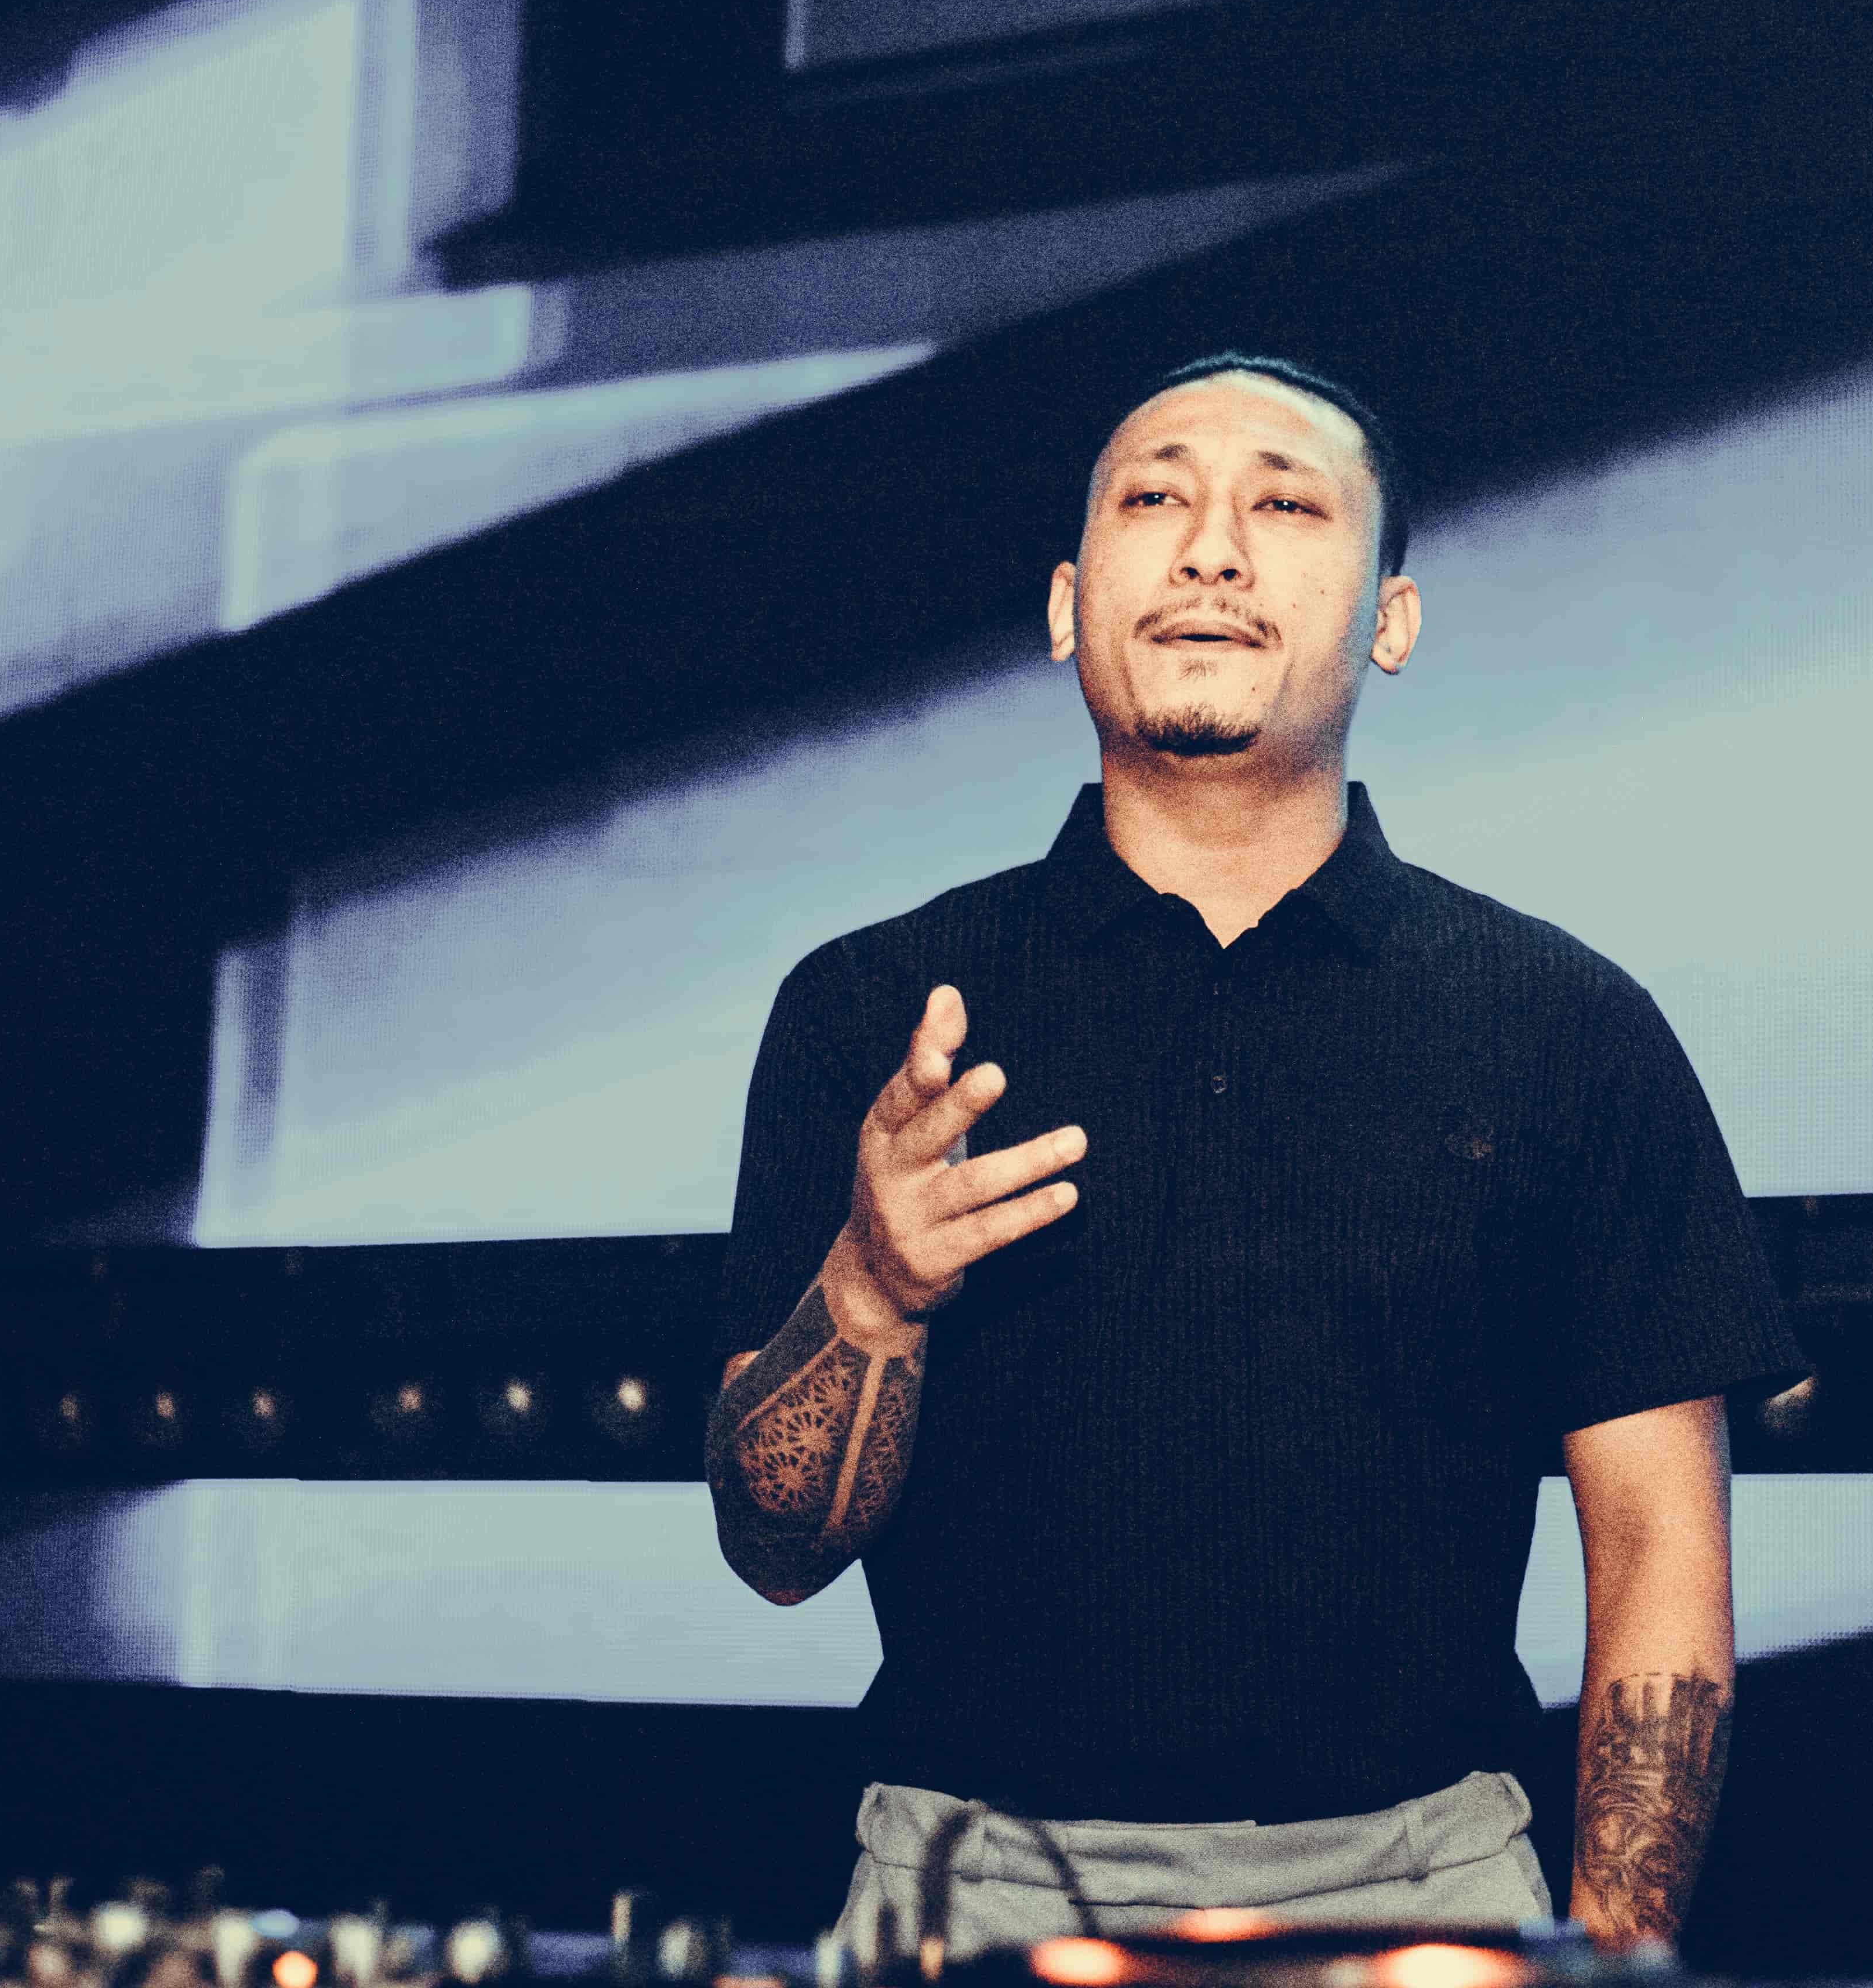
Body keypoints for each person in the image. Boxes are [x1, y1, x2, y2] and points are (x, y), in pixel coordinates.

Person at [706, 354, 1806, 1957]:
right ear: (1068, 606)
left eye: (1284, 507)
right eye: (1156, 497)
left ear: (1390, 621)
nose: (1211, 549)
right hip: (972, 1900)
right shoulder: (876, 1011)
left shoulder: (1564, 1026)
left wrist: (1612, 1961)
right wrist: (870, 1293)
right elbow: (771, 1552)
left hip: (1426, 1900)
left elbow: (1656, 1550)